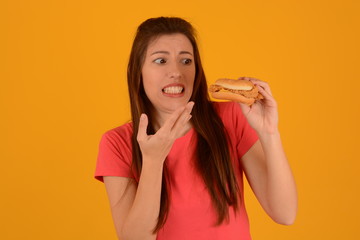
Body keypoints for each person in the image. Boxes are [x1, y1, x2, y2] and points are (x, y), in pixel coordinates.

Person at [94, 17, 298, 240]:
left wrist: (269, 133)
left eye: (186, 61)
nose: (176, 72)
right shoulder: (117, 143)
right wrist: (153, 162)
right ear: (138, 71)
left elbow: (285, 214)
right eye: (161, 61)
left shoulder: (231, 117)